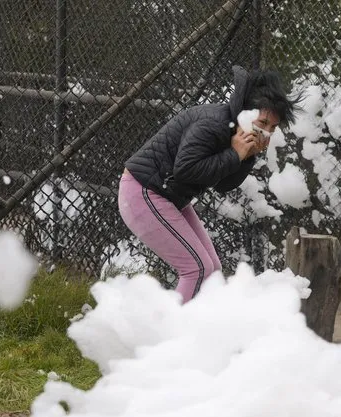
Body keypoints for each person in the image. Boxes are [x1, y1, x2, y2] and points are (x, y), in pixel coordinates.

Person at [118, 65, 299, 303]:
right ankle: (172, 335)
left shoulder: (236, 130)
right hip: (143, 192)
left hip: (167, 196)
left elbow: (222, 184)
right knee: (196, 268)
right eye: (263, 123)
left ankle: (200, 332)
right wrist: (235, 155)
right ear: (246, 112)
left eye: (272, 128)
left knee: (212, 269)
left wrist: (246, 156)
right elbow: (185, 170)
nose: (266, 133)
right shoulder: (213, 123)